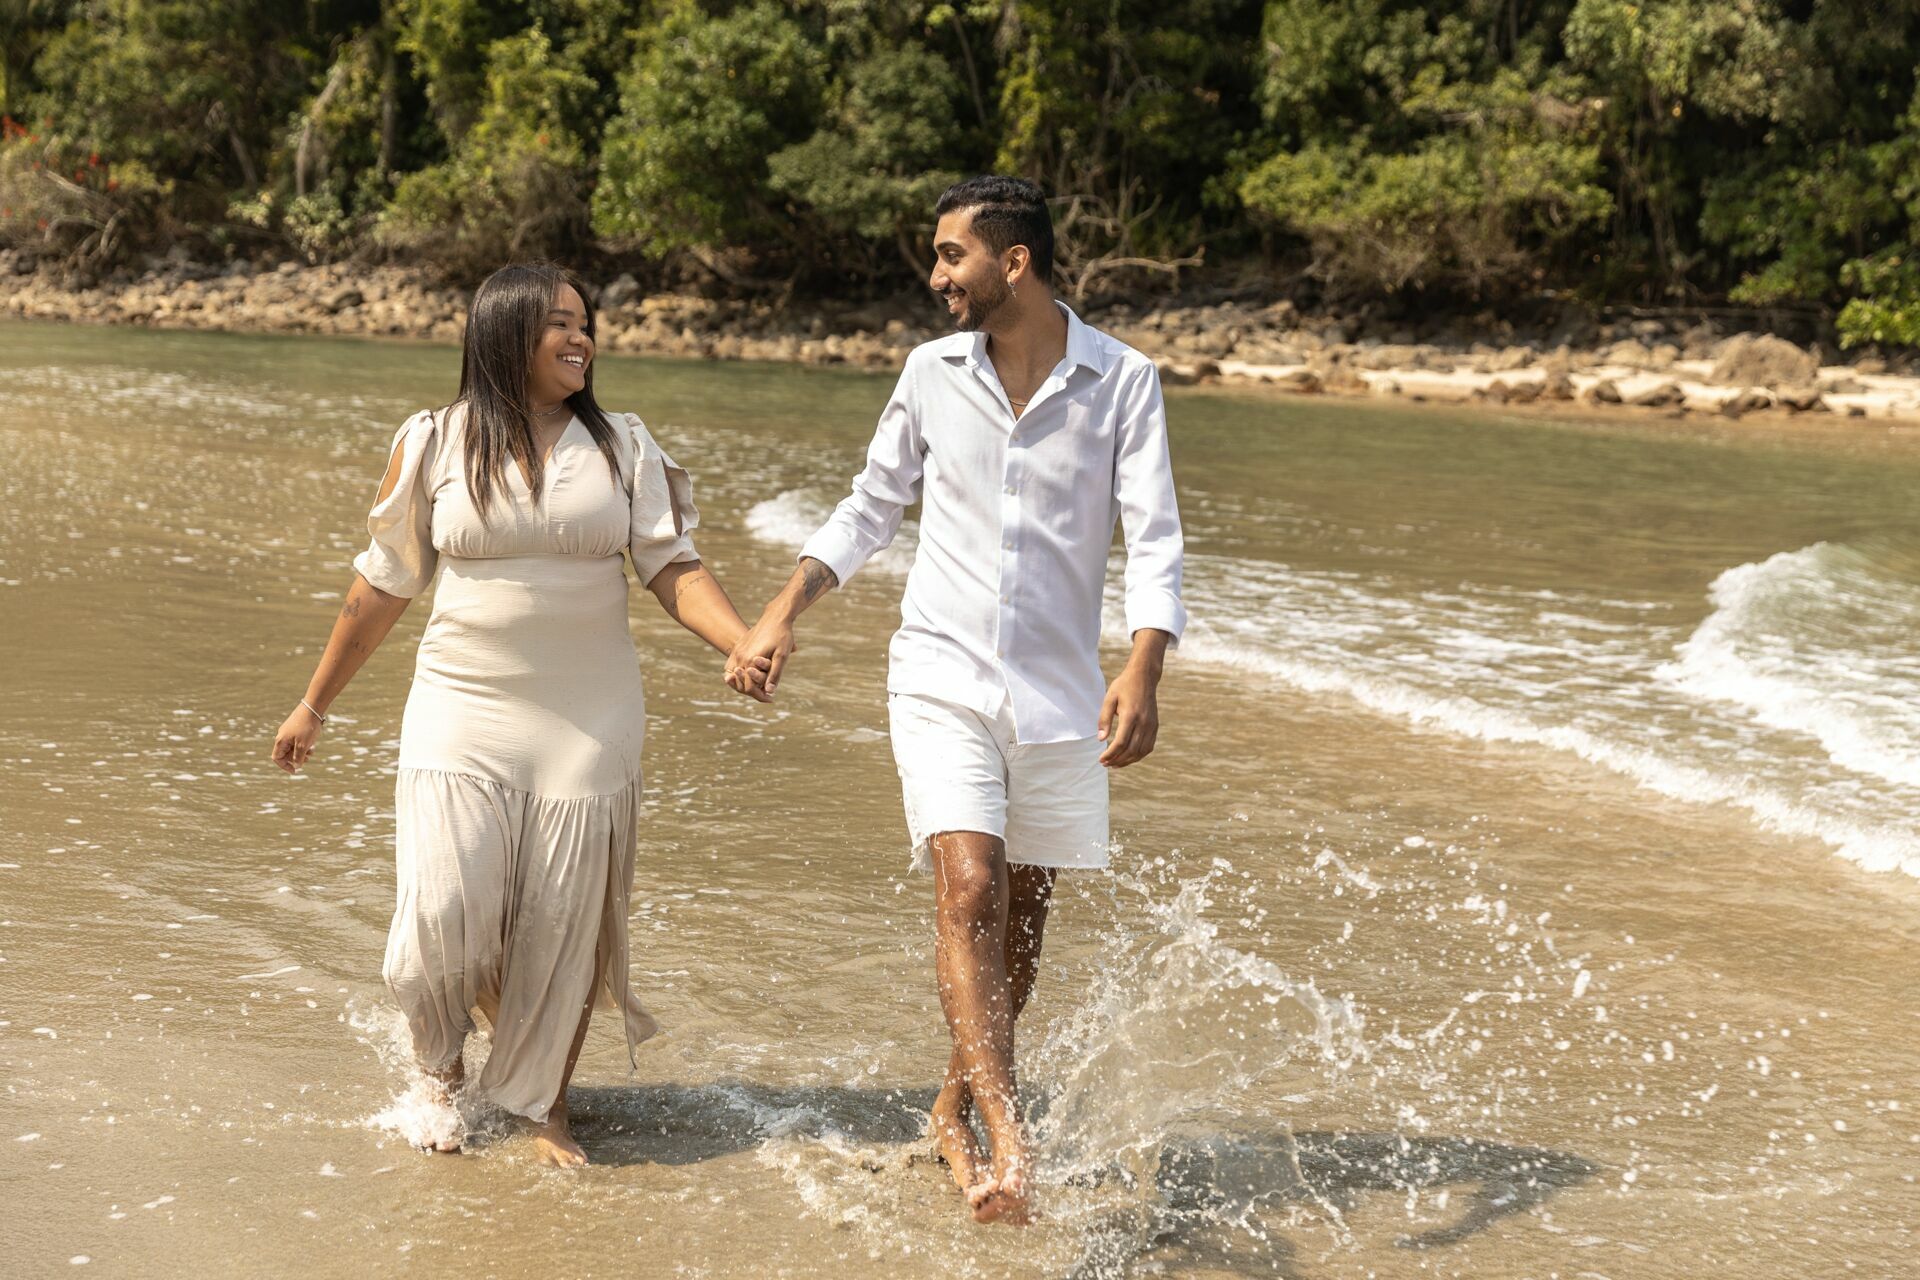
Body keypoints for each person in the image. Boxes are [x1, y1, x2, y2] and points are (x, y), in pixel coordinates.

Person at [724, 176, 1186, 1224]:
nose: (935, 276)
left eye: (949, 255)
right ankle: (1008, 1135)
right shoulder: (931, 373)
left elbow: (1155, 535)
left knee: (1019, 927)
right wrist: (782, 611)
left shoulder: (1123, 381)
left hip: (1060, 695)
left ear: (1012, 262)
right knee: (970, 888)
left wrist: (1144, 666)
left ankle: (952, 1106)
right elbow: (872, 504)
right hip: (939, 674)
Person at [272, 262, 768, 1167]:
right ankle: (439, 1073)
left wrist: (739, 643)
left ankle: (546, 1108)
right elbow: (383, 582)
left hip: (590, 714)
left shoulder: (622, 444)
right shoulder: (435, 441)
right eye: (559, 324)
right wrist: (314, 704)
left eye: (585, 323)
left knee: (562, 921)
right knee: (440, 913)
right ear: (505, 333)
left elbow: (672, 565)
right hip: (461, 704)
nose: (581, 339)